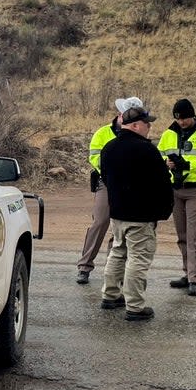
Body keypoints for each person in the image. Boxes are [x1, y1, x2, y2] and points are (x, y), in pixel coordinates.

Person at [98, 104, 174, 321]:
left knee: (118, 252)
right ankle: (135, 306)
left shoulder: (109, 148)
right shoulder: (146, 150)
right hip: (141, 215)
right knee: (138, 259)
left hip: (118, 212)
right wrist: (165, 209)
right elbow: (162, 182)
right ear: (136, 125)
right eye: (147, 123)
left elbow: (105, 177)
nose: (149, 126)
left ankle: (110, 295)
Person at [75, 96, 143, 285]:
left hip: (129, 185)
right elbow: (94, 157)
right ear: (119, 114)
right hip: (107, 181)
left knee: (120, 227)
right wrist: (114, 170)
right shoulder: (103, 133)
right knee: (100, 221)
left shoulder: (138, 134)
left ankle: (113, 270)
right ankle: (85, 265)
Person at [157, 98, 196, 297]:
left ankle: (195, 279)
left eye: (185, 118)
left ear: (193, 115)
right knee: (183, 236)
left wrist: (187, 164)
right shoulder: (168, 134)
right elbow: (158, 156)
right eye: (178, 118)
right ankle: (188, 273)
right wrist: (166, 164)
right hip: (175, 189)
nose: (182, 122)